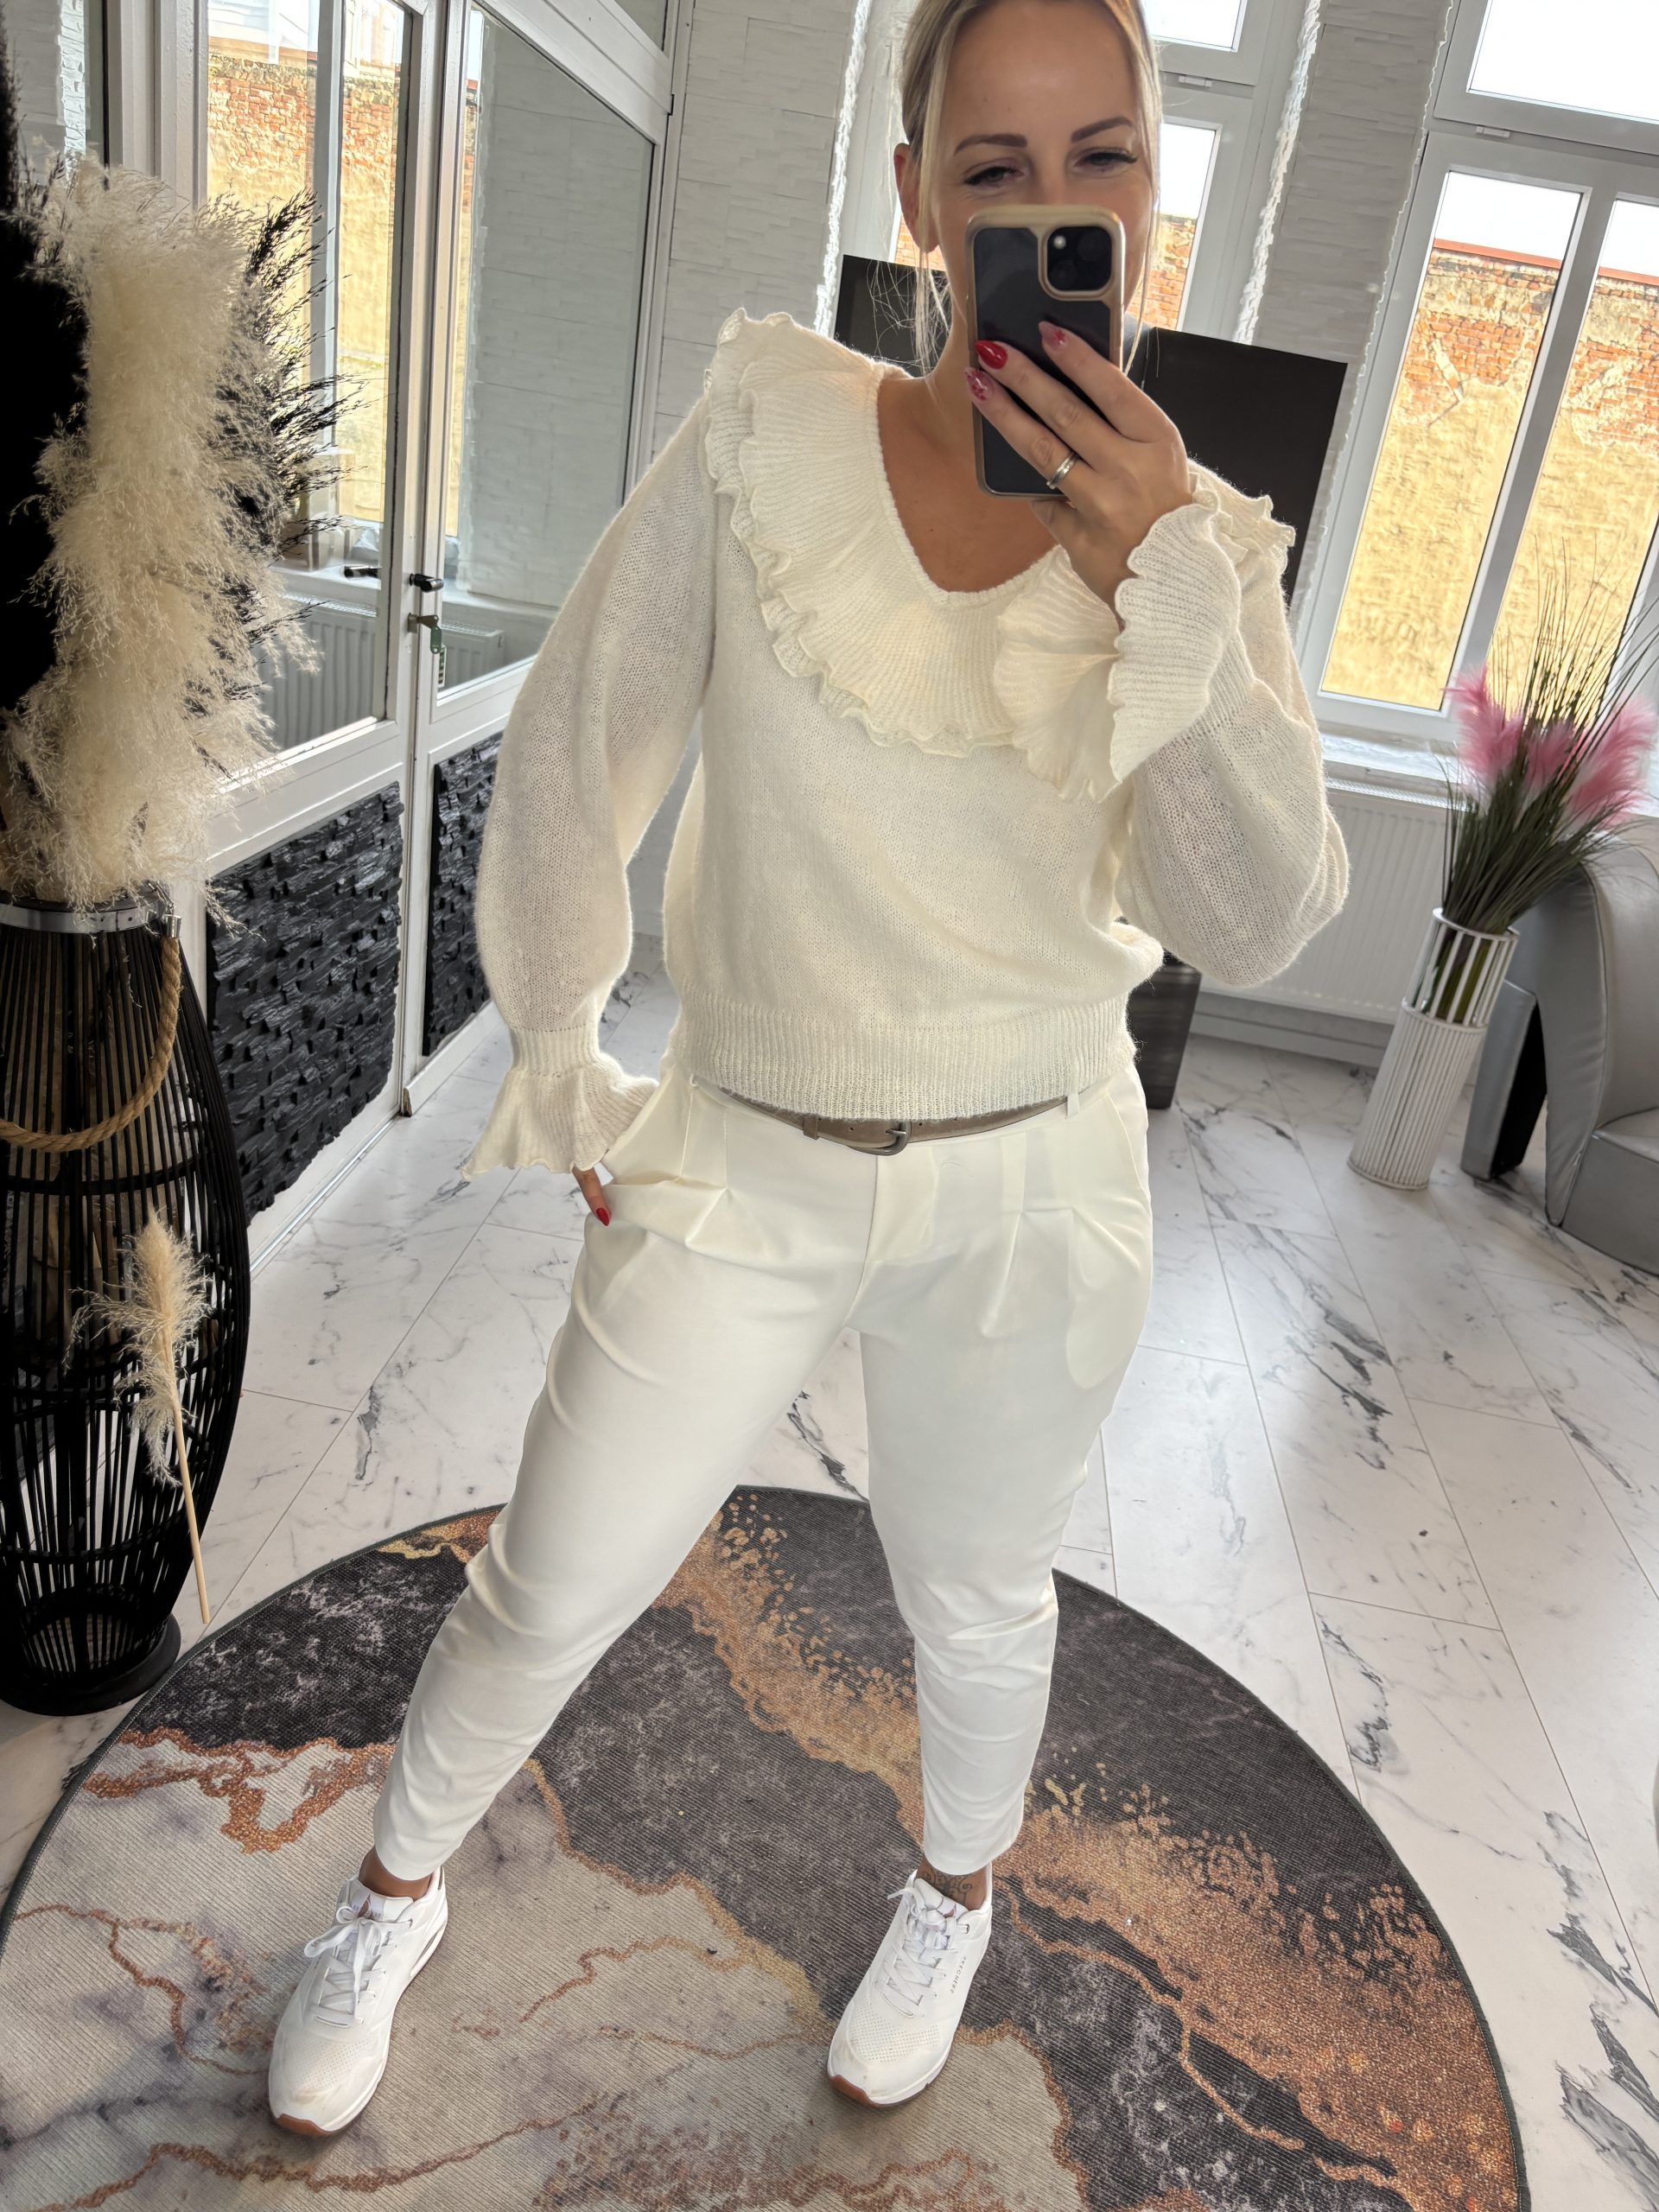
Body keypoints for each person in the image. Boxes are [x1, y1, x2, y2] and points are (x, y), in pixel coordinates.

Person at [266, 0, 1348, 2137]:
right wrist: (562, 1032)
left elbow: (1258, 911)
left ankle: (951, 1896)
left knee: (978, 1594)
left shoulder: (1204, 550)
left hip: (1036, 1176)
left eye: (1104, 158)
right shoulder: (769, 426)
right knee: (557, 1562)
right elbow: (584, 725)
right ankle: (389, 1891)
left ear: (1159, 197)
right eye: (997, 167)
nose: (1054, 207)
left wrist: (1160, 586)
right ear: (919, 201)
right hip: (747, 1143)